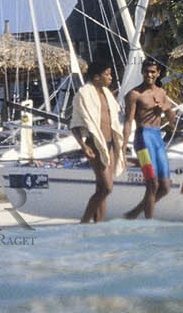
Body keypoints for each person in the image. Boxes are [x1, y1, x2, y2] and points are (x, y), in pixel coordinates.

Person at [68, 57, 123, 223]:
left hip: (111, 144)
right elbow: (75, 124)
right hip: (95, 144)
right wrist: (83, 146)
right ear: (96, 77)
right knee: (107, 187)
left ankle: (99, 224)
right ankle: (84, 221)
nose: (111, 78)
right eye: (107, 75)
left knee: (101, 188)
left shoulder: (107, 94)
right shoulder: (83, 94)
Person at [122, 58, 176, 220]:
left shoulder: (161, 93)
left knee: (165, 187)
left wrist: (166, 109)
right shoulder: (134, 94)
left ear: (158, 73)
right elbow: (128, 121)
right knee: (152, 183)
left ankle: (135, 212)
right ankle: (149, 222)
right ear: (142, 72)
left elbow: (172, 120)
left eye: (153, 72)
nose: (149, 75)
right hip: (142, 139)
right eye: (146, 71)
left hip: (157, 139)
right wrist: (123, 145)